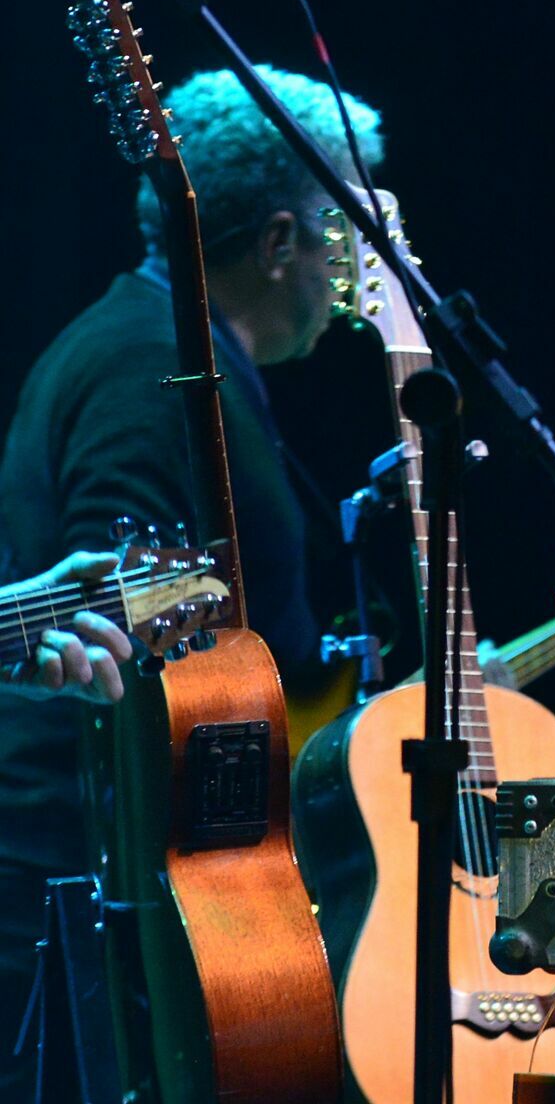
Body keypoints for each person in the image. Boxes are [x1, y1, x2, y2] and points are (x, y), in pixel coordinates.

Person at [0, 65, 383, 1090]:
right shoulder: (144, 367)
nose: (349, 273)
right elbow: (118, 631)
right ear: (279, 242)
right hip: (75, 899)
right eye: (341, 237)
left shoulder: (163, 346)